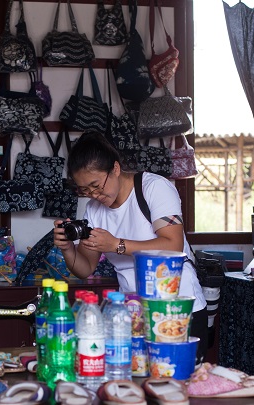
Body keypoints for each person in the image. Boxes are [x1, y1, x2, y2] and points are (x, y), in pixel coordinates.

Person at [53, 132, 208, 364]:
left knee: (176, 386)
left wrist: (116, 245)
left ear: (115, 168)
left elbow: (173, 245)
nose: (94, 195)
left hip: (176, 307)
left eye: (96, 186)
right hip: (132, 313)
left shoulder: (154, 188)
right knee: (137, 384)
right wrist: (66, 249)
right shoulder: (94, 210)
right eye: (84, 190)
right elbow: (85, 268)